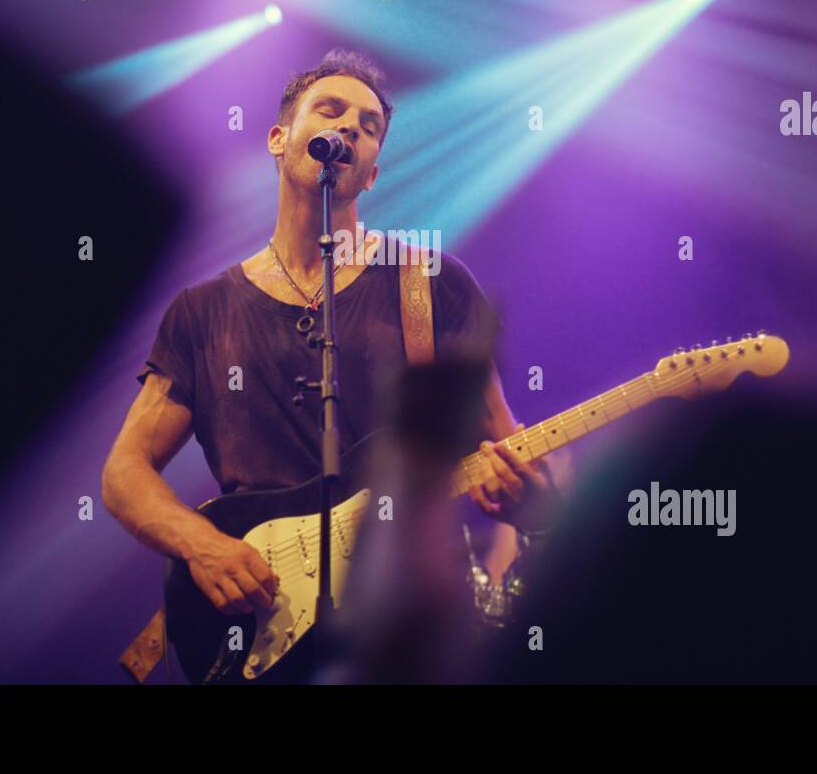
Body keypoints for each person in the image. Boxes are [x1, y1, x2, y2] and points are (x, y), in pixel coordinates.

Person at [101, 48, 565, 622]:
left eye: (368, 127)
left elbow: (509, 445)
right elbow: (124, 471)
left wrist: (532, 505)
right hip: (263, 622)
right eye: (330, 110)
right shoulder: (202, 310)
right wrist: (203, 544)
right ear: (278, 138)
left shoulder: (430, 283)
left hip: (401, 615)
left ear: (371, 173)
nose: (349, 126)